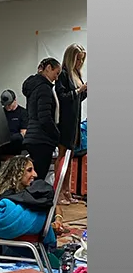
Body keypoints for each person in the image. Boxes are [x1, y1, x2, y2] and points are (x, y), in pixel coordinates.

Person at [56, 44, 87, 204]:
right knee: (62, 157)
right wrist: (79, 90)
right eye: (78, 59)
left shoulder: (76, 74)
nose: (80, 63)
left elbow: (77, 100)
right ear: (71, 58)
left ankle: (67, 191)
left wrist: (84, 92)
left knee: (70, 158)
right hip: (65, 122)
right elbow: (63, 97)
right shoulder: (63, 74)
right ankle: (59, 192)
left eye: (82, 60)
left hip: (75, 122)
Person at [21, 57, 62, 180]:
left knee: (32, 178)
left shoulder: (34, 87)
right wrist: (57, 135)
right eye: (56, 73)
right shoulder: (44, 88)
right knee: (38, 177)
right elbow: (45, 118)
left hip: (32, 137)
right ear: (48, 68)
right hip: (42, 139)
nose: (56, 78)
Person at [0, 89, 28, 157]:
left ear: (15, 100)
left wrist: (9, 138)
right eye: (5, 105)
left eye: (9, 104)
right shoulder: (1, 113)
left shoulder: (23, 113)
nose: (7, 107)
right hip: (2, 144)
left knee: (17, 138)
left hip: (16, 144)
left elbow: (23, 133)